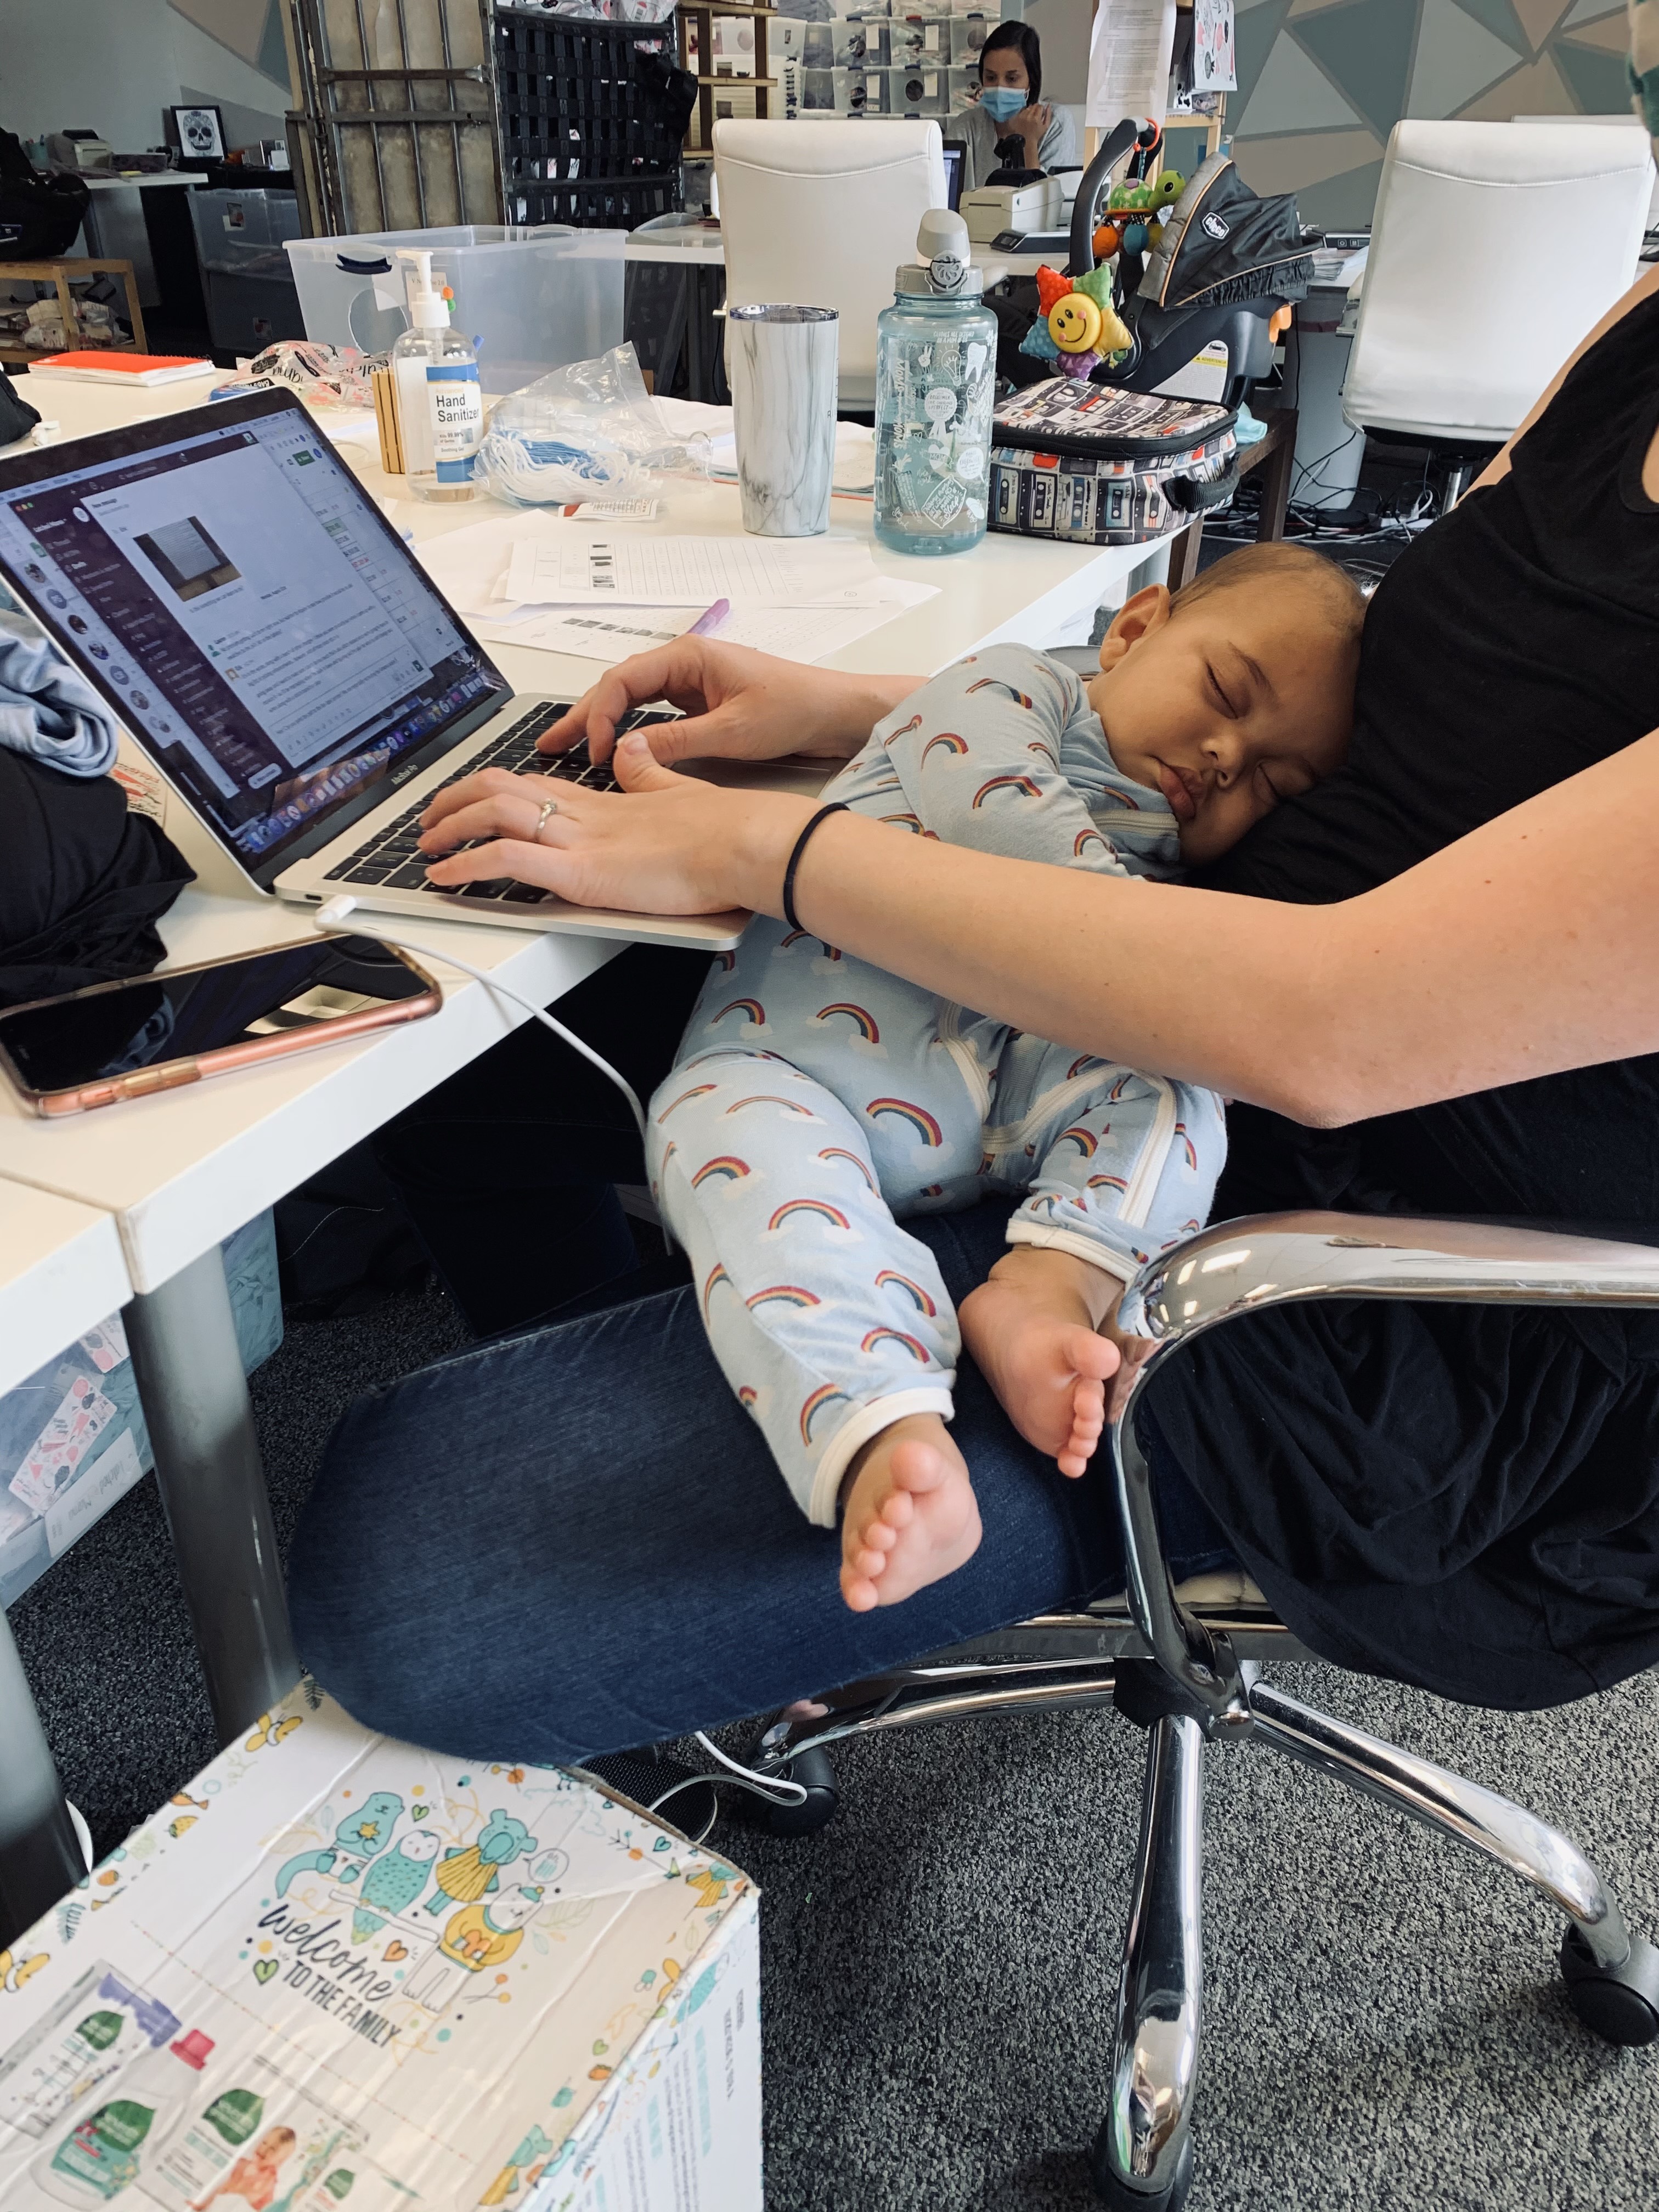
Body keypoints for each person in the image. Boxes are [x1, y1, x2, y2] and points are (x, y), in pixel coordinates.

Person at [288, 251, 1659, 1765]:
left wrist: (774, 849)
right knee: (459, 1045)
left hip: (1371, 1267)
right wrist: (884, 720)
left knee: (414, 1586)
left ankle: (909, 1369)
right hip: (1158, 984)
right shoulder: (1634, 329)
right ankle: (766, 1397)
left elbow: (1339, 1031)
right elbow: (1420, 732)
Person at [652, 550, 1358, 1611]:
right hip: (805, 1066)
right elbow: (1003, 822)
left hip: (1016, 1088)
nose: (1223, 757)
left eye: (1271, 783)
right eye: (1221, 694)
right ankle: (880, 1428)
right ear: (1132, 631)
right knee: (726, 1146)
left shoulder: (1168, 855)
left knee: (1177, 1098)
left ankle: (1046, 1285)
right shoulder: (1006, 687)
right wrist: (1157, 945)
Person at [958, 21, 1076, 191]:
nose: (1000, 87)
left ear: (1031, 80)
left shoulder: (1055, 123)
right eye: (991, 78)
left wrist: (1029, 142)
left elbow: (1046, 207)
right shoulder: (967, 126)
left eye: (1012, 79)